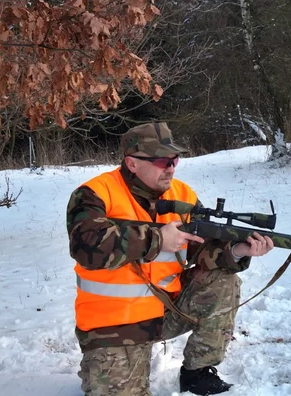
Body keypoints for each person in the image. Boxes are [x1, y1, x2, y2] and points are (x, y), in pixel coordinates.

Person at [66, 122, 274, 396]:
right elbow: (87, 247)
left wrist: (238, 251)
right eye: (163, 160)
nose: (172, 167)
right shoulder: (95, 194)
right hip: (114, 324)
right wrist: (157, 239)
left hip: (166, 310)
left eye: (175, 159)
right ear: (132, 163)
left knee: (223, 280)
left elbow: (202, 251)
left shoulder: (183, 196)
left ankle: (197, 373)